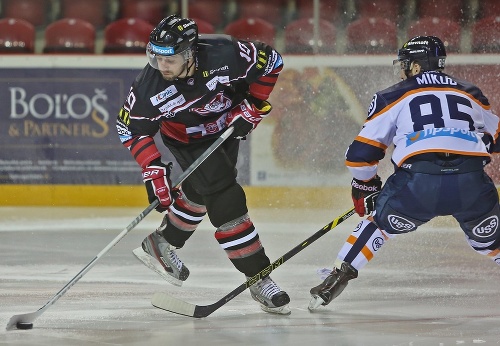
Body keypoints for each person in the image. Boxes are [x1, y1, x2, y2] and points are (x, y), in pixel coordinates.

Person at [308, 35, 500, 310]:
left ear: (418, 65)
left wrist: (366, 184)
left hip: (418, 184)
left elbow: (359, 157)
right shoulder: (471, 93)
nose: (403, 69)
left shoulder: (392, 94)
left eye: (407, 64)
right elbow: (497, 137)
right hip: (471, 183)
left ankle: (338, 276)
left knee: (378, 226)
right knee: (492, 244)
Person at [116, 15, 290, 315]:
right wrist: (153, 168)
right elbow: (129, 128)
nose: (161, 66)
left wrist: (253, 105)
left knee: (200, 192)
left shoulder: (225, 53)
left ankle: (162, 243)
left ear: (189, 53)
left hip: (226, 128)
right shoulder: (149, 88)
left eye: (168, 59)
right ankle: (259, 277)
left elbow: (271, 61)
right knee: (226, 197)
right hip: (186, 140)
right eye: (155, 58)